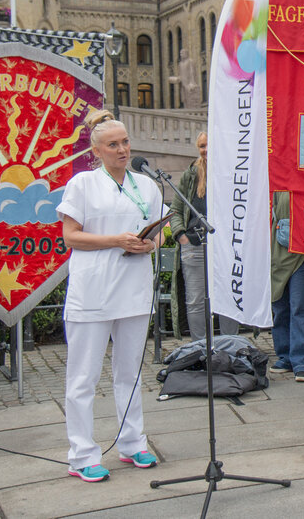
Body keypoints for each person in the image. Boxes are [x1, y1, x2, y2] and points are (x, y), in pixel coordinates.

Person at [57, 110, 163, 482]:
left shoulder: (146, 185)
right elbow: (70, 236)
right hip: (94, 290)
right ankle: (81, 453)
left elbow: (160, 230)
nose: (122, 149)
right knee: (83, 376)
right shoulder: (83, 184)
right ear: (97, 150)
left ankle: (133, 443)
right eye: (113, 144)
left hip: (133, 288)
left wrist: (150, 243)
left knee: (129, 371)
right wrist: (115, 240)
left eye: (125, 142)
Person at [169, 132, 239, 341]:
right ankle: (200, 348)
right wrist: (181, 235)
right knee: (196, 300)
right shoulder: (191, 173)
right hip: (195, 244)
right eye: (201, 145)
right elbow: (176, 207)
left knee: (228, 297)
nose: (205, 149)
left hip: (226, 247)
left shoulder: (234, 170)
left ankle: (230, 346)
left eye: (209, 144)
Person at [269, 191, 304, 382]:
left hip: (301, 255)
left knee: (300, 308)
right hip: (276, 253)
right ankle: (286, 357)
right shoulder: (274, 179)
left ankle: (303, 361)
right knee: (279, 306)